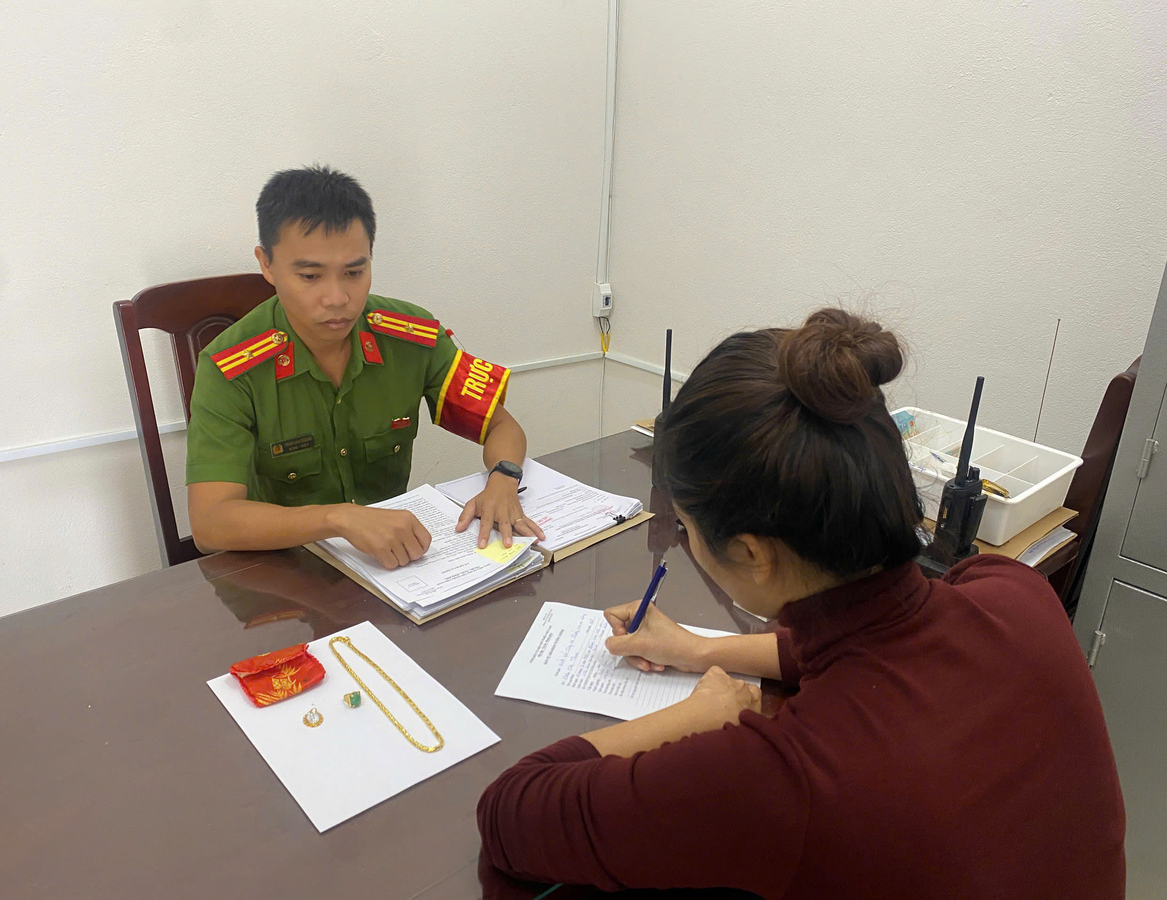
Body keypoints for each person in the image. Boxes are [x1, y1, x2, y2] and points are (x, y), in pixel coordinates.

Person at [477, 309, 1125, 898]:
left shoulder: (785, 780)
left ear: (752, 552)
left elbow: (511, 814)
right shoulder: (1014, 592)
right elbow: (877, 630)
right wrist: (699, 649)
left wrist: (698, 716)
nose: (684, 541)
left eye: (685, 527)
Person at [186, 165, 544, 567]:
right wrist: (337, 519)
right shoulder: (229, 368)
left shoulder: (411, 337)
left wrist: (504, 479)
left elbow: (502, 427)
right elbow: (210, 524)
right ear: (266, 264)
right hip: (285, 569)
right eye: (310, 276)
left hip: (397, 566)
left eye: (354, 272)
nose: (337, 298)